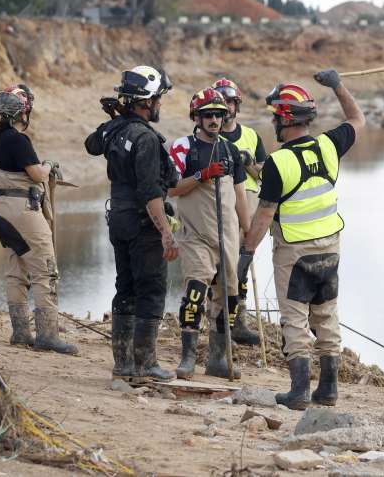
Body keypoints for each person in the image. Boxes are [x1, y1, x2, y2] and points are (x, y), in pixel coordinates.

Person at [239, 70, 366, 409]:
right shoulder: (328, 146)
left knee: (294, 317)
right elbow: (357, 118)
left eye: (275, 117)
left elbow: (264, 215)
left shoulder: (280, 163)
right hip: (329, 248)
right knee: (326, 314)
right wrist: (337, 85)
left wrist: (246, 253)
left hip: (294, 252)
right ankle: (328, 389)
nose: (273, 123)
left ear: (285, 119)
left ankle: (298, 392)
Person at [85, 66, 179, 382]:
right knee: (150, 290)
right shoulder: (146, 139)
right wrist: (165, 232)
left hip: (119, 221)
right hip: (142, 223)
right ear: (146, 101)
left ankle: (122, 365)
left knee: (125, 288)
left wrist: (117, 116)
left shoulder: (115, 130)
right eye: (158, 99)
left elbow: (91, 143)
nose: (160, 105)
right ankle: (144, 365)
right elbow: (150, 192)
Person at [0, 84, 77, 355]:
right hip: (21, 208)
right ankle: (47, 335)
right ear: (24, 111)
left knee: (17, 264)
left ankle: (21, 332)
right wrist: (49, 166)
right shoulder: (17, 139)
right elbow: (36, 175)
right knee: (45, 268)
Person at [168, 87, 251, 380]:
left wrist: (248, 231)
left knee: (227, 299)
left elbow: (240, 194)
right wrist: (202, 175)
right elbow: (170, 188)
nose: (214, 120)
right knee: (195, 293)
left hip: (227, 236)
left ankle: (218, 359)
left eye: (219, 114)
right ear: (196, 117)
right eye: (208, 115)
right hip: (195, 235)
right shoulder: (183, 147)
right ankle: (188, 357)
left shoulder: (230, 150)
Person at [214, 78, 267, 346]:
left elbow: (264, 173)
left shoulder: (252, 136)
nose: (227, 107)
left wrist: (247, 162)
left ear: (237, 105)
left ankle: (240, 322)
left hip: (251, 201)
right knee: (225, 265)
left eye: (230, 102)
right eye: (221, 102)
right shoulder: (209, 135)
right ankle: (221, 323)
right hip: (223, 203)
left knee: (244, 264)